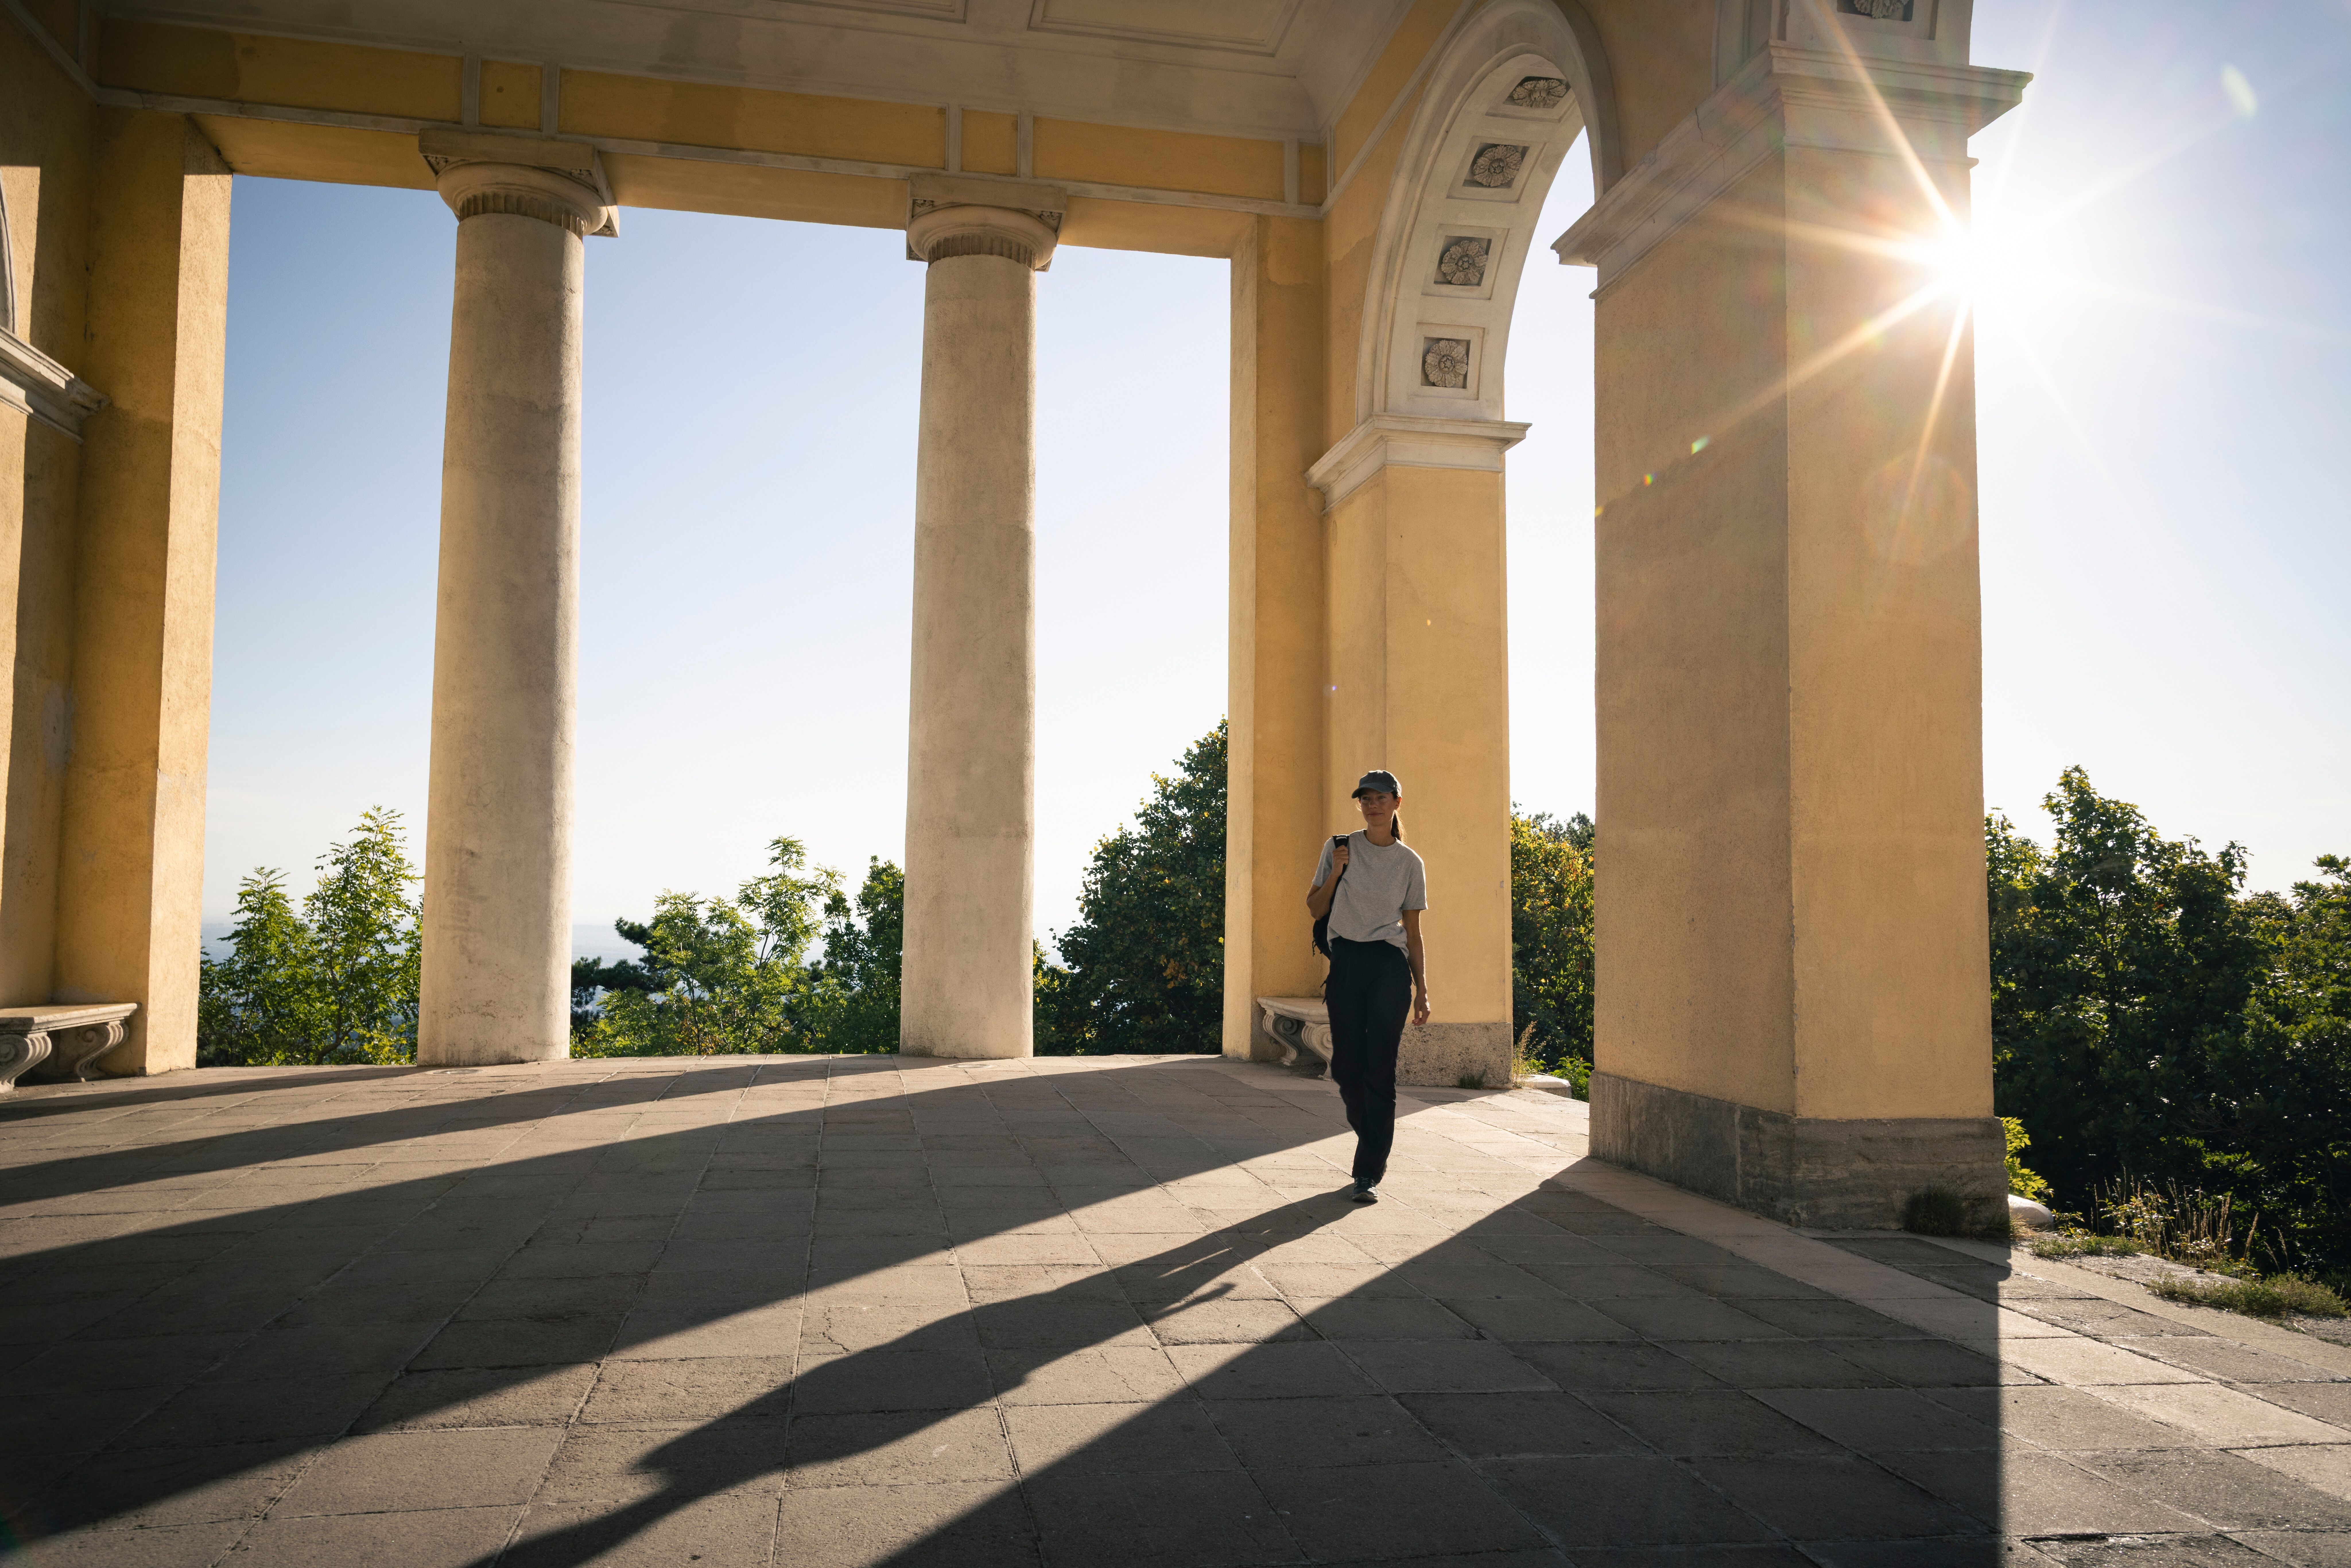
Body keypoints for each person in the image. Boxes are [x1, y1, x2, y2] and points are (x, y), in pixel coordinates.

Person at [1305, 769, 1430, 1203]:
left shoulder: (1410, 863)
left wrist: (1423, 990)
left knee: (1381, 1068)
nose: (1372, 805)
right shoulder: (1339, 848)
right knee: (1346, 1069)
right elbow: (1315, 909)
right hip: (1347, 961)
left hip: (1389, 966)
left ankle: (1368, 1171)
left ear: (1397, 803)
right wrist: (1337, 873)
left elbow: (1413, 933)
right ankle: (1376, 1136)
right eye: (1365, 799)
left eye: (1380, 798)